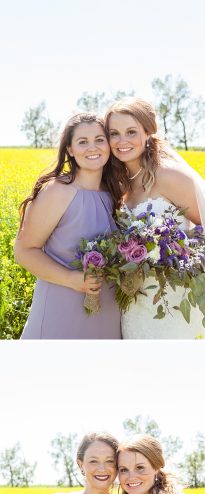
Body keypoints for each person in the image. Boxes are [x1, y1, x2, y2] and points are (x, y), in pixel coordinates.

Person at [105, 97, 205, 339]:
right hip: (134, 302)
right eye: (114, 133)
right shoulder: (118, 183)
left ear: (148, 132)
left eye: (131, 132)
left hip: (173, 298)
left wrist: (171, 253)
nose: (122, 141)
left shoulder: (169, 176)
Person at [16, 113, 122, 339]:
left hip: (107, 312)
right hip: (62, 305)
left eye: (99, 139)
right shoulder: (58, 190)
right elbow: (24, 251)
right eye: (82, 142)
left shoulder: (112, 192)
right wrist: (72, 280)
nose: (92, 147)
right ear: (70, 149)